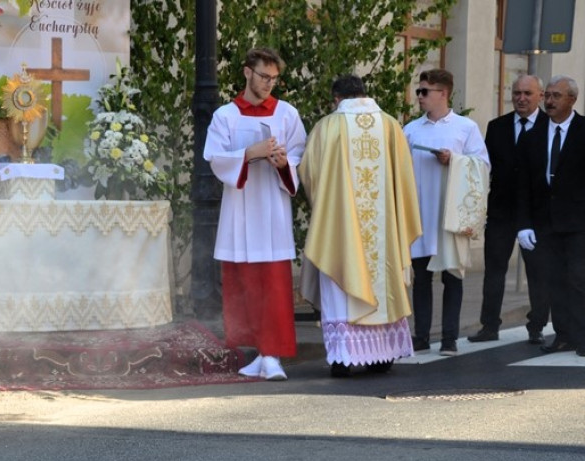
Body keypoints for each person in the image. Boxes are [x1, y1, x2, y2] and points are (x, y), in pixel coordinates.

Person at [298, 75, 422, 378]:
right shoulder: (391, 126)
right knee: (385, 282)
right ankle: (382, 355)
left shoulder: (328, 126)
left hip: (342, 230)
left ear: (337, 98)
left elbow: (309, 172)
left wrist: (326, 203)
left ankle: (343, 358)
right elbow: (405, 180)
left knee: (342, 281)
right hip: (384, 234)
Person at [203, 47, 306, 380]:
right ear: (247, 72)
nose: (269, 84)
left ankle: (273, 354)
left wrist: (282, 163)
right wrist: (249, 153)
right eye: (264, 76)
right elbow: (216, 158)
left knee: (274, 285)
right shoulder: (225, 116)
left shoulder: (287, 114)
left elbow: (299, 156)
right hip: (240, 210)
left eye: (275, 78)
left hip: (272, 211)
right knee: (244, 284)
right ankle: (258, 353)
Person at [403, 69, 490, 356]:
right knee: (421, 276)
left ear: (443, 93)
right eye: (419, 91)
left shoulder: (465, 128)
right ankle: (422, 335)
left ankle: (450, 337)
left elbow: (482, 166)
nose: (419, 97)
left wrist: (454, 160)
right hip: (420, 212)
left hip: (450, 214)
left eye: (424, 91)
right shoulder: (412, 129)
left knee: (452, 274)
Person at [469, 75, 550, 345]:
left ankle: (537, 325)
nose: (521, 98)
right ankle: (489, 325)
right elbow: (484, 167)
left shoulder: (550, 126)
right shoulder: (497, 126)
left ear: (540, 95)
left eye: (528, 93)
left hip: (536, 215)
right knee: (494, 271)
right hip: (502, 211)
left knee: (538, 273)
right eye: (517, 93)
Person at [516, 76, 585, 356]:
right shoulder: (533, 135)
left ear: (572, 100)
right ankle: (564, 335)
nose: (550, 101)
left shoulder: (583, 130)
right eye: (548, 96)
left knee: (578, 279)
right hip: (545, 221)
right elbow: (522, 184)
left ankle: (582, 335)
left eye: (557, 96)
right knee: (554, 279)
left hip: (579, 221)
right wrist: (523, 224)